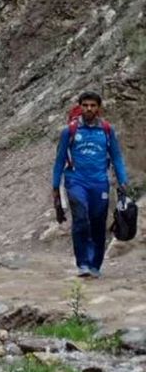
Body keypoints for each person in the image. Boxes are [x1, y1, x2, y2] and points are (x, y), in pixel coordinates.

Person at [51, 91, 129, 278]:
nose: (89, 109)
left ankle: (95, 265)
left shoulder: (107, 131)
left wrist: (123, 181)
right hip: (76, 181)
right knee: (80, 219)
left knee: (97, 223)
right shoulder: (69, 131)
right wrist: (55, 187)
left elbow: (117, 157)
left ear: (98, 108)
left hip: (99, 183)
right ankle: (83, 264)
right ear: (80, 107)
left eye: (93, 105)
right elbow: (60, 160)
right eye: (85, 105)